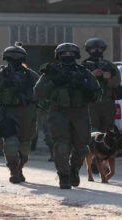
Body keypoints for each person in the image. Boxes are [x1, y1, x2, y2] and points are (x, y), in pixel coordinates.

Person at [34, 43, 101, 189]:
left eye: (71, 54)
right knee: (62, 145)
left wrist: (85, 87)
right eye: (64, 54)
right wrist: (54, 81)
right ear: (59, 56)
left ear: (76, 56)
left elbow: (97, 93)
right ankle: (64, 176)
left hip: (80, 112)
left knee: (82, 146)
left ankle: (74, 170)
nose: (68, 56)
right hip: (58, 112)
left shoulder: (84, 73)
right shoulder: (52, 72)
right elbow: (38, 92)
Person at [0, 42, 39, 184]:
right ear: (6, 59)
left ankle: (20, 167)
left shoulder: (30, 75)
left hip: (27, 112)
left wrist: (29, 96)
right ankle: (14, 170)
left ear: (23, 60)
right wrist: (3, 84)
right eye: (11, 58)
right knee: (11, 143)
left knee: (25, 148)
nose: (14, 61)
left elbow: (41, 91)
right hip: (6, 111)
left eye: (17, 58)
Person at [82, 38, 121, 132]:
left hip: (107, 103)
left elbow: (116, 83)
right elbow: (78, 85)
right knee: (93, 131)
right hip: (90, 104)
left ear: (103, 49)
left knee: (108, 131)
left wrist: (108, 78)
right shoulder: (83, 67)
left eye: (99, 48)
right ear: (88, 50)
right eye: (93, 48)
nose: (96, 50)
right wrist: (92, 75)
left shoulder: (110, 66)